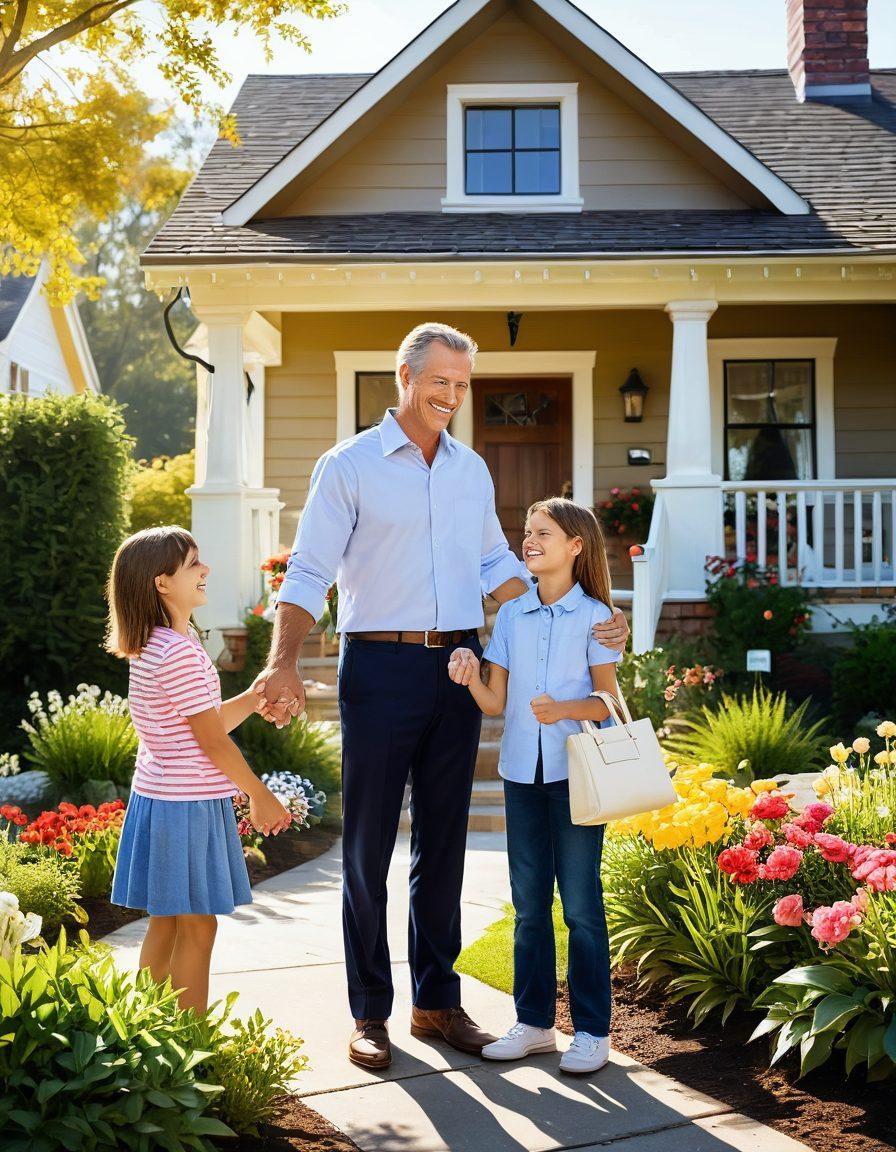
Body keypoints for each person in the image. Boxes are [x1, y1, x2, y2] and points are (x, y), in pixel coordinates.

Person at [255, 322, 629, 1069]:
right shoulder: (350, 465)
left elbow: (497, 561)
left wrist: (581, 613)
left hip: (460, 665)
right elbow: (308, 570)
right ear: (405, 375)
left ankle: (435, 1001)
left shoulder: (470, 471)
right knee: (365, 848)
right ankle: (369, 1013)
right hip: (380, 668)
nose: (452, 396)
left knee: (444, 845)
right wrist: (283, 663)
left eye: (461, 384)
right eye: (440, 381)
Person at [448, 498, 622, 1075]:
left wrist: (565, 708)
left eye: (543, 534)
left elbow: (610, 702)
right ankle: (535, 1024)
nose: (530, 542)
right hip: (522, 776)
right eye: (527, 533)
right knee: (527, 908)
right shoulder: (513, 617)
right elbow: (496, 702)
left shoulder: (595, 615)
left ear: (576, 545)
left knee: (581, 909)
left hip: (577, 779)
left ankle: (593, 1031)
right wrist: (473, 677)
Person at [107, 526, 291, 1014]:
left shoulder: (159, 643)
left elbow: (198, 725)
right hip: (184, 807)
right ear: (162, 582)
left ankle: (146, 1036)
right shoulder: (178, 650)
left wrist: (252, 700)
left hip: (163, 799)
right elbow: (210, 741)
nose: (205, 570)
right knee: (198, 925)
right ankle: (188, 1048)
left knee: (167, 921)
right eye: (193, 564)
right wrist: (259, 793)